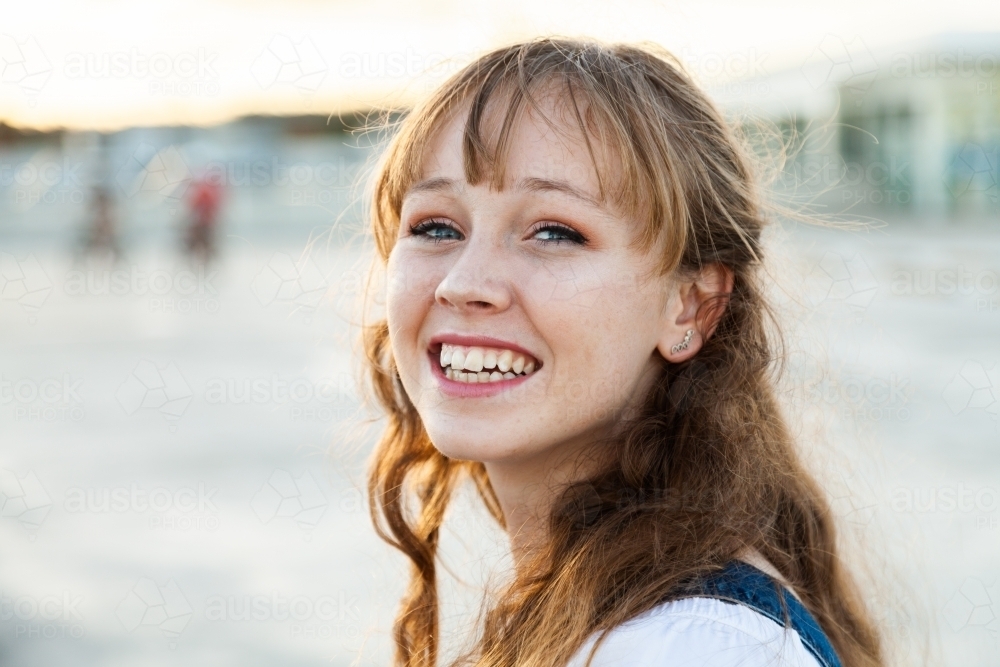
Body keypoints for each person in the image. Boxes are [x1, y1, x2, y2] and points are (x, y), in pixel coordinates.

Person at [359, 38, 883, 667]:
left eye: (554, 232)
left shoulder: (686, 648)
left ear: (690, 305)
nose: (464, 283)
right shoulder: (629, 614)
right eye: (435, 227)